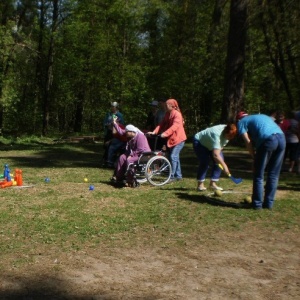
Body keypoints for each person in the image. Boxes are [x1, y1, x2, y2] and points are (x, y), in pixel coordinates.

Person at [236, 111, 286, 210]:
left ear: (238, 119)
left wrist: (254, 157)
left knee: (259, 174)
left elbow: (247, 141)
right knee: (273, 174)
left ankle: (257, 204)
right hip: (282, 138)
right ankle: (269, 204)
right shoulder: (262, 116)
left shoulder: (241, 122)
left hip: (268, 140)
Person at [148, 98, 187, 182]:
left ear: (172, 106)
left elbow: (174, 127)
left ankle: (171, 176)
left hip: (179, 139)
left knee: (173, 156)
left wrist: (165, 133)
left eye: (166, 105)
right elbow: (161, 124)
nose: (165, 106)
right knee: (175, 157)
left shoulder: (177, 114)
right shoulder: (167, 114)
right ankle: (178, 175)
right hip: (172, 139)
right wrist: (154, 132)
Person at [193, 123, 237, 191]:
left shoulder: (228, 133)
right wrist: (225, 167)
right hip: (200, 142)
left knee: (219, 161)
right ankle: (200, 185)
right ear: (225, 132)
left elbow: (218, 152)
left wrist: (220, 162)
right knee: (205, 162)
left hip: (211, 144)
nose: (230, 138)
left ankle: (213, 184)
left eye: (232, 136)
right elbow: (216, 155)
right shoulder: (216, 133)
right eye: (229, 136)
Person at [102, 102, 125, 166]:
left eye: (113, 107)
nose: (112, 108)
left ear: (116, 107)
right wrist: (107, 125)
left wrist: (115, 125)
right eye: (111, 106)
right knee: (106, 146)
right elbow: (105, 122)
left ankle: (112, 161)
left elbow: (122, 124)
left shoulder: (119, 115)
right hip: (109, 132)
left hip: (116, 133)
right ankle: (105, 160)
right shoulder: (108, 114)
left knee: (113, 146)